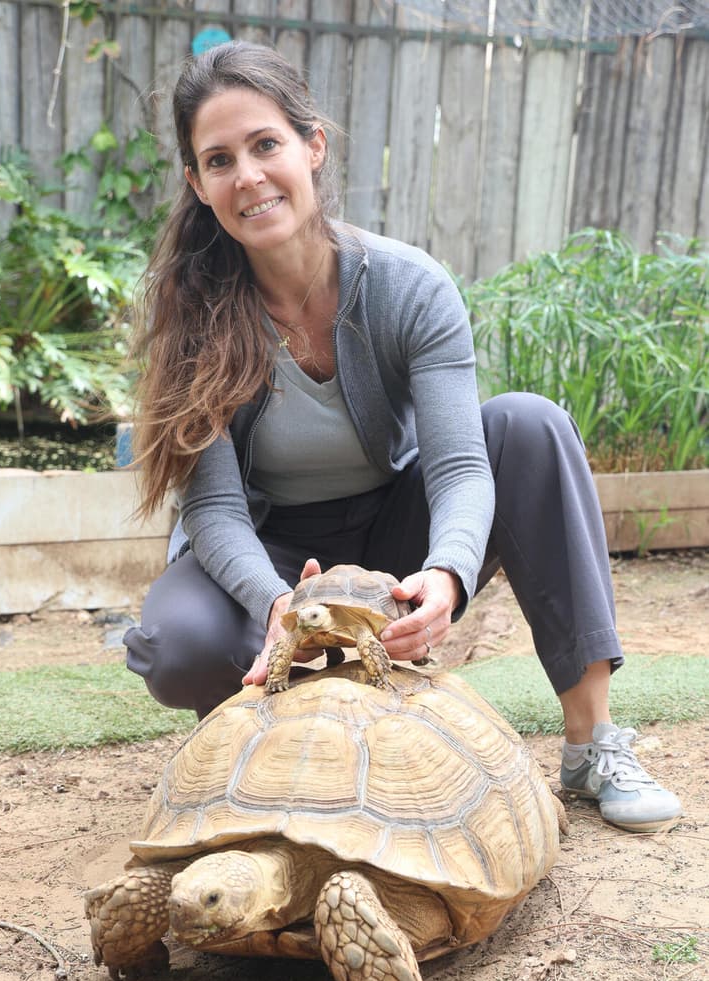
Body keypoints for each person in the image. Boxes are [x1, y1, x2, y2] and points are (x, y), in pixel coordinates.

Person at [123, 39, 681, 836]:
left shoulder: (407, 286)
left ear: (313, 147)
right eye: (219, 160)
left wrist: (447, 572)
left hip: (393, 528)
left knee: (531, 426)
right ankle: (258, 763)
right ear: (197, 183)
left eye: (265, 144)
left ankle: (592, 746)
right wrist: (280, 604)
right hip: (269, 547)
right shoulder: (193, 314)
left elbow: (460, 466)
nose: (247, 176)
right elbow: (212, 510)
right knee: (181, 642)